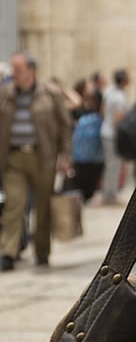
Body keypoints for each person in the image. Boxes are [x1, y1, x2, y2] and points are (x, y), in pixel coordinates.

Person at [0, 52, 71, 270]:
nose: (14, 74)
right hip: (13, 158)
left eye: (18, 70)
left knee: (42, 208)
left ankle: (41, 252)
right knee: (14, 204)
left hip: (43, 158)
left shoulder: (49, 94)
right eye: (13, 70)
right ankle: (8, 253)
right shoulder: (5, 94)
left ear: (32, 71)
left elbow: (65, 125)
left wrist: (66, 156)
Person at [100, 68, 131, 204]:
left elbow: (102, 111)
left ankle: (108, 194)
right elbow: (118, 118)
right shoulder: (119, 97)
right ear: (124, 80)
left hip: (105, 130)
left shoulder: (109, 91)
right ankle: (110, 196)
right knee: (114, 166)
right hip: (113, 134)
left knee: (110, 165)